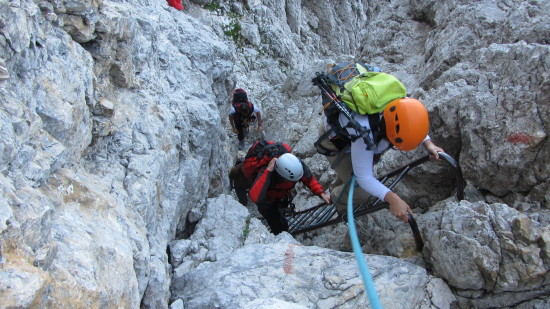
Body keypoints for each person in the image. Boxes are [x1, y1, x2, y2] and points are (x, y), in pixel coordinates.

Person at [321, 90, 444, 223]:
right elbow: (364, 177)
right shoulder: (364, 130)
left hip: (350, 136)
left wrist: (428, 144)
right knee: (361, 191)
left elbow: (410, 121)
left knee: (352, 170)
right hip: (334, 141)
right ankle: (337, 199)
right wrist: (393, 199)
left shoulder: (401, 104)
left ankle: (341, 187)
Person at [246, 145, 331, 234]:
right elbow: (255, 197)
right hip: (267, 203)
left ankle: (282, 218)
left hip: (281, 197)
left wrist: (322, 194)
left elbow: (309, 180)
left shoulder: (296, 165)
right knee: (279, 228)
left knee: (281, 216)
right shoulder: (267, 172)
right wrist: (268, 171)